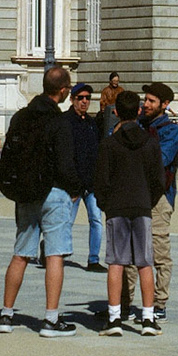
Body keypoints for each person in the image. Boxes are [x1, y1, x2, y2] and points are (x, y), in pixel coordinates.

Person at [0, 65, 82, 336]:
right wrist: (75, 188)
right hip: (54, 191)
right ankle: (51, 319)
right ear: (63, 90)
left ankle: (6, 315)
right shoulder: (59, 121)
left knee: (21, 253)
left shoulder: (21, 116)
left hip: (25, 190)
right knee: (55, 254)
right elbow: (65, 163)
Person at [94, 88, 166, 335]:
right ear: (138, 111)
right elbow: (159, 180)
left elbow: (101, 180)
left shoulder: (109, 144)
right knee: (145, 263)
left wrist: (105, 203)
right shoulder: (150, 143)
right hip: (142, 205)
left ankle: (114, 318)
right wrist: (148, 200)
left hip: (117, 206)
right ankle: (148, 318)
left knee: (116, 262)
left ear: (115, 112)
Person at [141, 82, 178, 320]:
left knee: (160, 253)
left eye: (151, 101)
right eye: (145, 99)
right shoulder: (137, 125)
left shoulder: (171, 131)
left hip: (159, 197)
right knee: (130, 255)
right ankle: (124, 303)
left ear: (164, 105)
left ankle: (159, 303)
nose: (145, 104)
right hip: (136, 195)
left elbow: (161, 159)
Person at [66, 83, 104, 271]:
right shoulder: (65, 122)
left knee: (96, 220)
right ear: (72, 99)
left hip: (91, 183)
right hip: (72, 183)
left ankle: (93, 259)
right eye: (80, 98)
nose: (84, 101)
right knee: (66, 222)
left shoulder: (91, 123)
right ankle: (54, 251)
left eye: (87, 98)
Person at [97, 73, 124, 138]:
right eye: (114, 81)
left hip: (118, 114)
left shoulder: (121, 90)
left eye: (117, 81)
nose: (116, 83)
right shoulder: (105, 91)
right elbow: (102, 102)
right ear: (110, 81)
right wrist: (104, 109)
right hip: (108, 114)